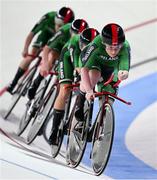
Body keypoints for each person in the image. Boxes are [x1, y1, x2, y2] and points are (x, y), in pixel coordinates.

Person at [48, 28, 99, 145]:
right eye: (84, 46)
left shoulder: (97, 48)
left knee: (90, 84)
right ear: (81, 43)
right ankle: (54, 130)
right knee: (65, 89)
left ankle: (84, 120)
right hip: (68, 58)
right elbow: (79, 68)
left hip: (85, 62)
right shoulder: (74, 44)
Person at [7, 7, 75, 93]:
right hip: (46, 35)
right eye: (57, 24)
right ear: (55, 19)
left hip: (58, 41)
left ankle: (39, 82)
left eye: (62, 26)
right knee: (31, 55)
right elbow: (32, 33)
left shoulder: (68, 31)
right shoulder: (48, 17)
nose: (58, 27)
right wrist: (25, 49)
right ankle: (14, 82)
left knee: (52, 56)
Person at [74, 23, 131, 125]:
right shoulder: (95, 45)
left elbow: (124, 65)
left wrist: (124, 73)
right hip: (94, 65)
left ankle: (99, 125)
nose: (114, 52)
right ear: (104, 43)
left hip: (111, 69)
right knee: (93, 77)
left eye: (117, 48)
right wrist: (88, 91)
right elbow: (84, 70)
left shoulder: (125, 46)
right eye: (110, 47)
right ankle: (80, 103)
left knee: (108, 100)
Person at [27, 19, 89, 100]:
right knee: (51, 57)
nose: (77, 37)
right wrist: (45, 64)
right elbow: (46, 48)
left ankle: (54, 95)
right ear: (71, 31)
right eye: (75, 34)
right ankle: (37, 82)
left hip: (71, 52)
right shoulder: (64, 30)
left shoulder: (86, 38)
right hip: (58, 47)